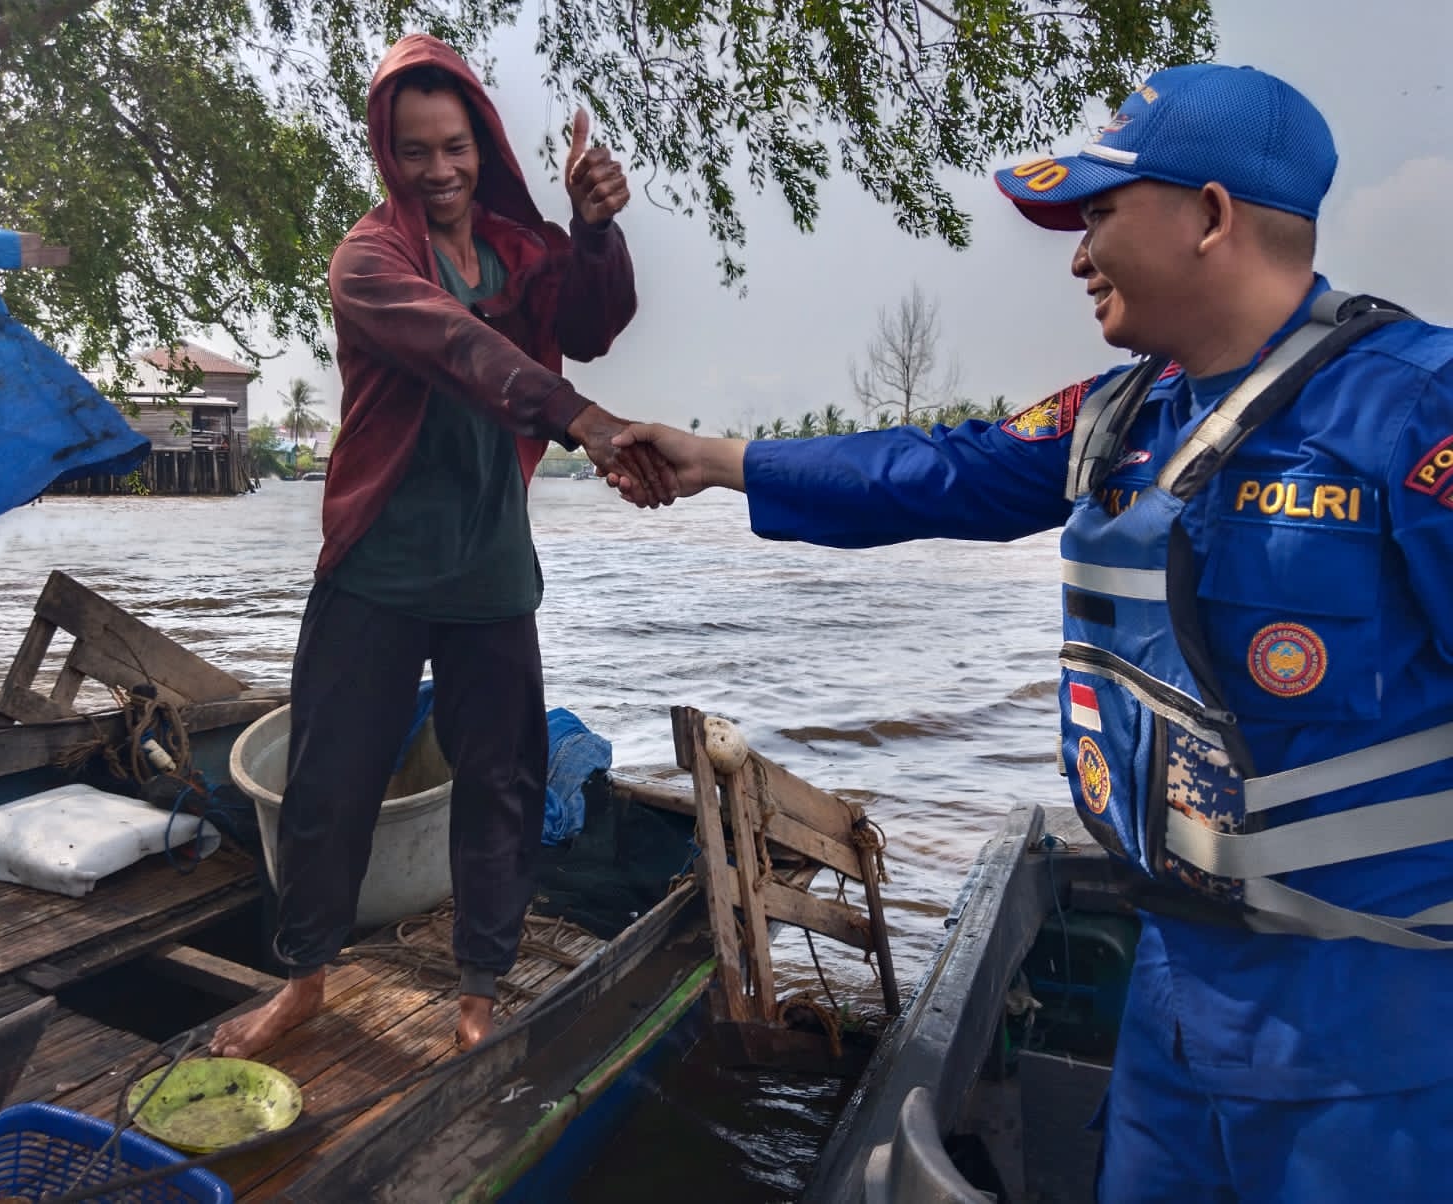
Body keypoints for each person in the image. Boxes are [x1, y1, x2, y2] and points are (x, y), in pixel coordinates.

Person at [608, 63, 1453, 1203]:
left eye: (1100, 212)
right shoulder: (1118, 419)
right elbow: (932, 467)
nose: (1074, 252)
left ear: (1208, 216)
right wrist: (718, 461)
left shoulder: (1411, 412)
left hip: (1373, 1037)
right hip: (1169, 1003)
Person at [212, 33, 671, 1059]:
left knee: (503, 777)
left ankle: (476, 988)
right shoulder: (368, 260)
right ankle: (304, 981)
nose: (439, 169)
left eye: (454, 144)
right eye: (414, 149)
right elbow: (459, 348)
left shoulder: (522, 251)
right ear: (387, 152)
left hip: (488, 563)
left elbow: (594, 320)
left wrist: (595, 231)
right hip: (376, 560)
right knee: (331, 779)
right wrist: (582, 422)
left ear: (482, 141)